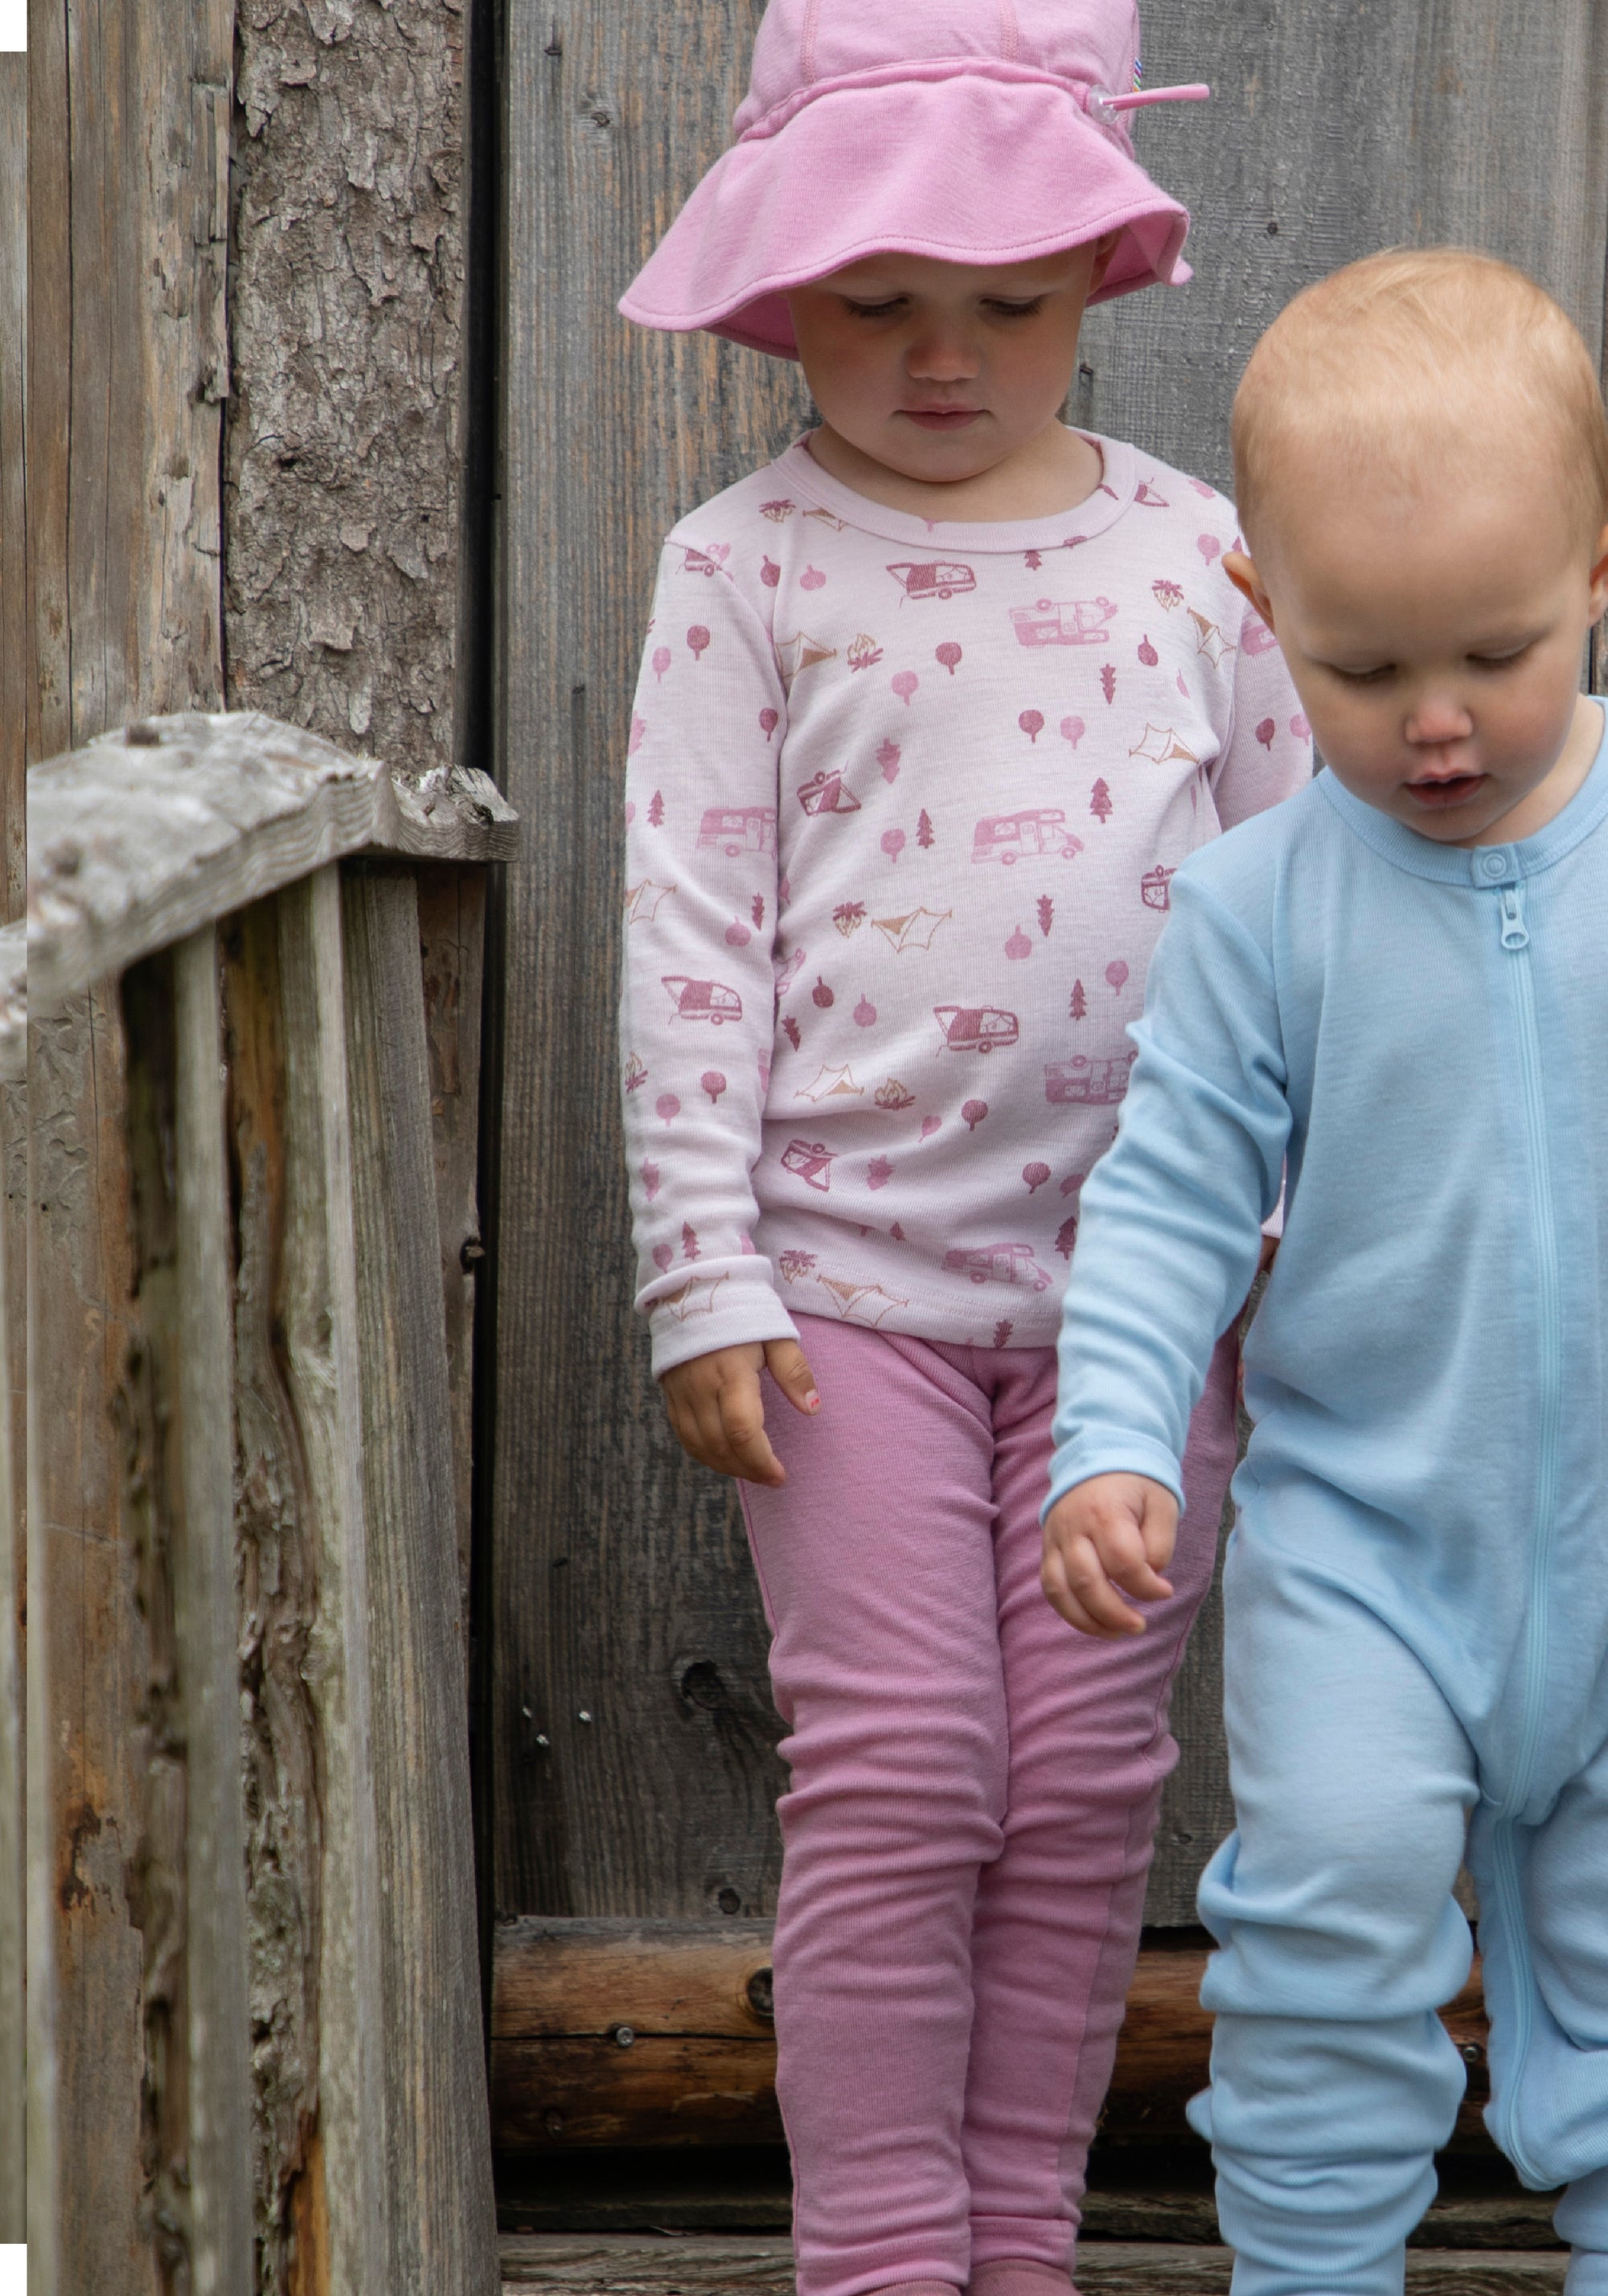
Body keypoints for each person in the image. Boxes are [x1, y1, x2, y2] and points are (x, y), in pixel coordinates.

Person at [617, 8, 1310, 2294]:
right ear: (777, 286)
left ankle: (1027, 2237)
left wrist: (1304, 1234)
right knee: (912, 1772)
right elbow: (694, 932)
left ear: (1097, 277)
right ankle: (883, 2251)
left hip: (1155, 1303)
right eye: (877, 302)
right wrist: (703, 1273)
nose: (943, 358)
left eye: (1004, 304)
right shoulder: (744, 567)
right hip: (845, 1313)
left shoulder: (1200, 557)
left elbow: (1309, 915)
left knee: (1091, 1786)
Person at [1042, 245, 1608, 2296]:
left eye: (1496, 650)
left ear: (1599, 573)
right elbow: (1170, 1195)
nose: (1436, 720)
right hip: (1363, 1550)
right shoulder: (1261, 903)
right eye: (1362, 674)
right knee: (1328, 1928)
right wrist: (1113, 1434)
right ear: (1266, 620)